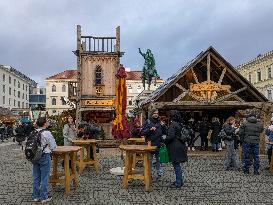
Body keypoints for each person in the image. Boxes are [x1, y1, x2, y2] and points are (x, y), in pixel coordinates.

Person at [32, 117, 56, 203]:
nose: (48, 123)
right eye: (47, 122)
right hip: (44, 156)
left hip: (35, 157)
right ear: (45, 124)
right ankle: (44, 197)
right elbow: (53, 146)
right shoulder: (47, 133)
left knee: (36, 177)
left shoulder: (34, 132)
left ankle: (35, 196)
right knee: (44, 177)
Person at [165, 110, 188, 188]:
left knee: (176, 165)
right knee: (177, 165)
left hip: (175, 146)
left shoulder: (173, 124)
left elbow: (171, 136)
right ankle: (179, 181)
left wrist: (164, 140)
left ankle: (178, 183)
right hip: (180, 145)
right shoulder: (179, 124)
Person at [141, 108, 166, 178]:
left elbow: (165, 132)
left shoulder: (159, 122)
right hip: (150, 144)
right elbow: (142, 132)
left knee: (158, 159)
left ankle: (159, 173)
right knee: (150, 160)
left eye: (157, 113)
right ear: (152, 114)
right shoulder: (148, 121)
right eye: (155, 113)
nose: (156, 115)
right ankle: (149, 173)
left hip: (158, 143)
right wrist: (150, 130)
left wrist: (163, 126)